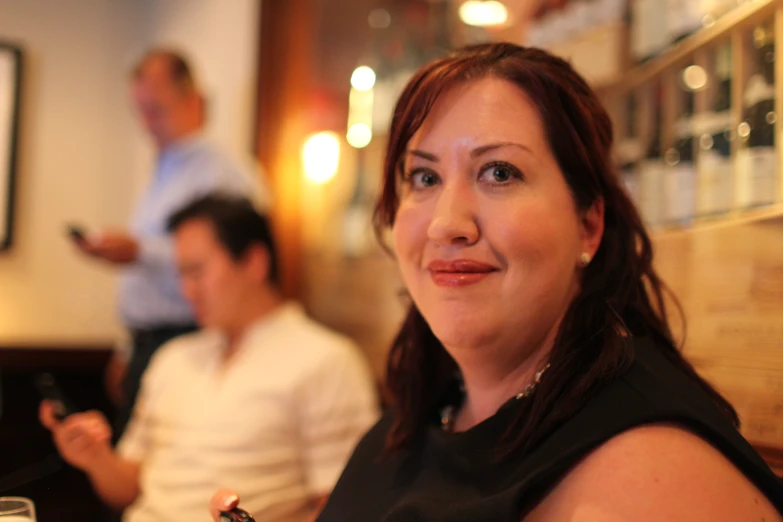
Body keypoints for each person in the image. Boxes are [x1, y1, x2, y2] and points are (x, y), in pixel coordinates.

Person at [211, 43, 783, 521]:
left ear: (588, 224)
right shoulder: (425, 412)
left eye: (499, 172)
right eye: (424, 176)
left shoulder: (652, 467)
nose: (446, 223)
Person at [44, 195, 378, 522]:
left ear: (253, 262)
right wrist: (95, 457)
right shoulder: (173, 357)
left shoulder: (327, 360)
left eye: (197, 271)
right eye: (181, 274)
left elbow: (341, 503)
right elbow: (127, 490)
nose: (186, 290)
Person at [70, 48, 268, 439]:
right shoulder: (163, 169)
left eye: (156, 109)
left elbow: (220, 259)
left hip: (191, 338)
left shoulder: (221, 172)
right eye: (139, 111)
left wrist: (138, 251)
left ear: (192, 100)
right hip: (151, 343)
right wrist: (129, 347)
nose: (146, 123)